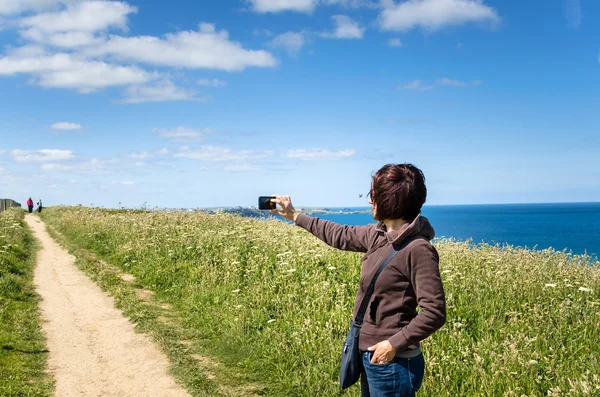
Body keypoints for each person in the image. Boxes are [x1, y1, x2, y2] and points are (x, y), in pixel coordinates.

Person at [271, 163, 446, 397]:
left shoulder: (418, 249)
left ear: (390, 200)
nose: (369, 201)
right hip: (372, 356)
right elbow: (338, 234)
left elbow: (434, 312)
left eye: (373, 195)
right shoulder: (379, 235)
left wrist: (393, 344)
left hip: (392, 363)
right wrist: (294, 215)